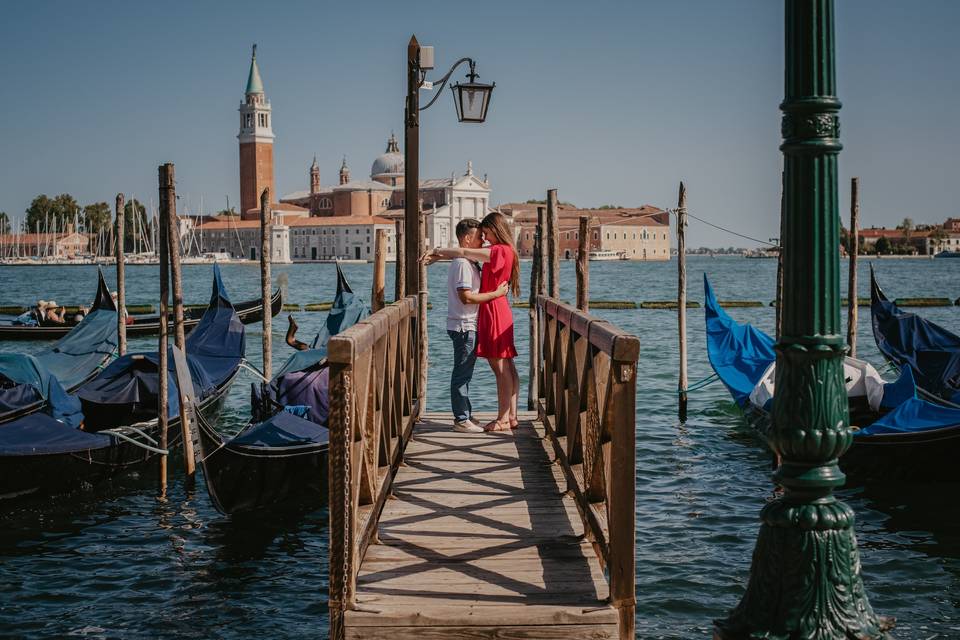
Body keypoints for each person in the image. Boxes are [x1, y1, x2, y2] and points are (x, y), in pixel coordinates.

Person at [423, 211, 521, 432]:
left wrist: (437, 251)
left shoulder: (496, 251)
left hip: (493, 309)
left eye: (486, 233)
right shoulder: (507, 251)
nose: (484, 238)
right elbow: (465, 254)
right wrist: (440, 257)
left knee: (500, 368)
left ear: (495, 230)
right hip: (500, 308)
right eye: (481, 234)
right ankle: (512, 416)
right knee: (509, 366)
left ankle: (503, 419)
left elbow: (465, 251)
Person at [441, 218, 509, 433]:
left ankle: (466, 415)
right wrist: (496, 294)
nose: (483, 241)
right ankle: (461, 419)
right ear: (468, 238)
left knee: (465, 372)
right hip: (463, 325)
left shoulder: (468, 261)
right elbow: (466, 298)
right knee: (462, 373)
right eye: (480, 236)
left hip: (467, 324)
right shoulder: (462, 264)